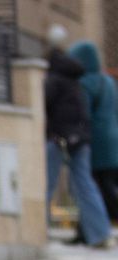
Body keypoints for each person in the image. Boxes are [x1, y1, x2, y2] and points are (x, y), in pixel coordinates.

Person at [43, 27, 113, 248]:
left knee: (46, 183)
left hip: (61, 137)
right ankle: (99, 234)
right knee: (85, 184)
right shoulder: (81, 79)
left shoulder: (56, 80)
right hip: (83, 138)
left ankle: (36, 232)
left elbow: (43, 106)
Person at [69, 40, 118, 225]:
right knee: (107, 183)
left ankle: (96, 225)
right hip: (114, 139)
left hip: (97, 142)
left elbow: (84, 112)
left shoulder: (85, 83)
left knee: (91, 185)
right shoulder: (108, 82)